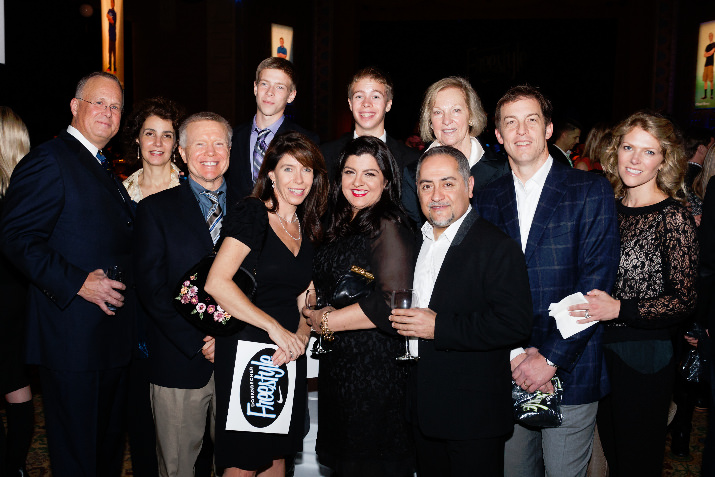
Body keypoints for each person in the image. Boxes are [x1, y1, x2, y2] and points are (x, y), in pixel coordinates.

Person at [475, 85, 619, 477]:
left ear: (549, 129)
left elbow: (597, 284)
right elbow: (478, 287)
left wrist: (550, 357)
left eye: (532, 120)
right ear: (499, 135)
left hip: (572, 366)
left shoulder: (589, 190)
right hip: (507, 367)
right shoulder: (485, 200)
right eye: (511, 123)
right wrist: (514, 355)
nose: (522, 131)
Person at [0, 72, 135, 477]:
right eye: (99, 103)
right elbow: (16, 236)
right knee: (78, 458)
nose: (108, 113)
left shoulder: (101, 166)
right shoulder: (50, 159)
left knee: (105, 453)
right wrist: (77, 281)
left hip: (107, 341)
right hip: (73, 342)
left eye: (115, 107)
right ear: (75, 107)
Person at [568, 111, 699, 476]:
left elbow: (684, 299)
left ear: (664, 160)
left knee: (636, 462)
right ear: (616, 150)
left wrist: (619, 309)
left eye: (648, 151)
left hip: (644, 356)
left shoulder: (673, 217)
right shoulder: (605, 207)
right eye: (628, 147)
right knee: (607, 455)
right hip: (595, 349)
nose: (635, 159)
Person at [390, 146, 532, 476]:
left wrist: (440, 328)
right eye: (426, 185)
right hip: (424, 411)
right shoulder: (418, 241)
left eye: (447, 183)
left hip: (472, 418)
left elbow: (515, 324)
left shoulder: (497, 246)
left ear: (469, 186)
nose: (436, 195)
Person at [206, 131, 328, 476]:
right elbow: (217, 282)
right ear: (270, 174)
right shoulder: (253, 212)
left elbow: (307, 293)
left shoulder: (306, 226)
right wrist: (276, 329)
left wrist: (301, 335)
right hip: (248, 346)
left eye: (306, 171)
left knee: (277, 456)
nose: (299, 179)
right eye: (288, 169)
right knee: (245, 460)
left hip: (287, 351)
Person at [304, 136, 417, 476]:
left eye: (370, 173)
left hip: (375, 372)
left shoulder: (388, 223)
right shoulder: (340, 224)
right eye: (350, 172)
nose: (358, 182)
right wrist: (312, 301)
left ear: (387, 179)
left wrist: (324, 322)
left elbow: (390, 304)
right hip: (342, 368)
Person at [133, 112, 234, 477]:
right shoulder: (154, 211)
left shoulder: (252, 209)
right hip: (178, 360)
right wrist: (200, 340)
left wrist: (228, 338)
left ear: (230, 151)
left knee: (238, 466)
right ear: (183, 153)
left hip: (240, 360)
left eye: (219, 143)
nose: (210, 152)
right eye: (200, 144)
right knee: (176, 468)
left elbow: (262, 283)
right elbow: (151, 287)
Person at [402, 76, 509, 225]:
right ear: (430, 122)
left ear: (470, 115)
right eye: (438, 112)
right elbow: (413, 238)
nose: (446, 120)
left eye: (456, 110)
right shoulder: (412, 174)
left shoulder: (502, 169)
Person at [227, 57, 319, 200]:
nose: (270, 92)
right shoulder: (232, 137)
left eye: (279, 87)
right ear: (255, 88)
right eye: (264, 84)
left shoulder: (307, 140)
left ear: (291, 95)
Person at [0, 107, 33, 477]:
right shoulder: (26, 193)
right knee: (17, 385)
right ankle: (15, 467)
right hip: (20, 302)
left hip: (7, 301)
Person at [320, 67, 420, 178]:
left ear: (388, 105)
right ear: (350, 104)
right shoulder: (325, 155)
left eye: (375, 96)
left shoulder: (412, 160)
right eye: (359, 96)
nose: (366, 103)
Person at [122, 97, 185, 203]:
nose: (158, 143)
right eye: (150, 134)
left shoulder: (191, 191)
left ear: (175, 143)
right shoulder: (123, 194)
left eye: (166, 136)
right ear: (137, 138)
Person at [702, 32, 715, 100]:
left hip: (710, 64)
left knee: (711, 79)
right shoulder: (707, 46)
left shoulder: (714, 44)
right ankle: (705, 95)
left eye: (711, 36)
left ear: (712, 36)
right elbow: (704, 55)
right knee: (705, 80)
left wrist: (708, 53)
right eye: (709, 36)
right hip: (706, 64)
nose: (710, 37)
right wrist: (707, 53)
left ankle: (711, 95)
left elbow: (711, 52)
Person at [106, 0, 117, 73]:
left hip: (113, 35)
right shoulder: (109, 10)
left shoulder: (114, 13)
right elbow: (107, 15)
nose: (112, 4)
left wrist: (109, 18)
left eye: (113, 3)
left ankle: (114, 67)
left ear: (114, 4)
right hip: (110, 35)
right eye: (111, 3)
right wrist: (110, 18)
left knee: (114, 53)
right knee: (110, 52)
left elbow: (113, 22)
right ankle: (109, 66)